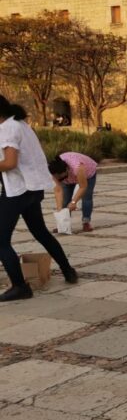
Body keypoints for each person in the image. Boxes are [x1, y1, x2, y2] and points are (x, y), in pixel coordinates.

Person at [0, 96, 78, 302]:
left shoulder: (7, 128)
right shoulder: (20, 124)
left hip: (17, 190)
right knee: (41, 232)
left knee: (1, 241)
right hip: (32, 189)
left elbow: (9, 163)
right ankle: (68, 270)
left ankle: (20, 286)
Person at [48, 151, 98, 232]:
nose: (60, 179)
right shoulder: (53, 170)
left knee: (86, 197)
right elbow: (58, 190)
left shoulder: (78, 168)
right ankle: (63, 225)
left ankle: (86, 222)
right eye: (58, 178)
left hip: (88, 174)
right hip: (69, 179)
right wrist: (59, 208)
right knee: (65, 200)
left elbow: (83, 187)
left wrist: (74, 202)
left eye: (61, 177)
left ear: (67, 169)